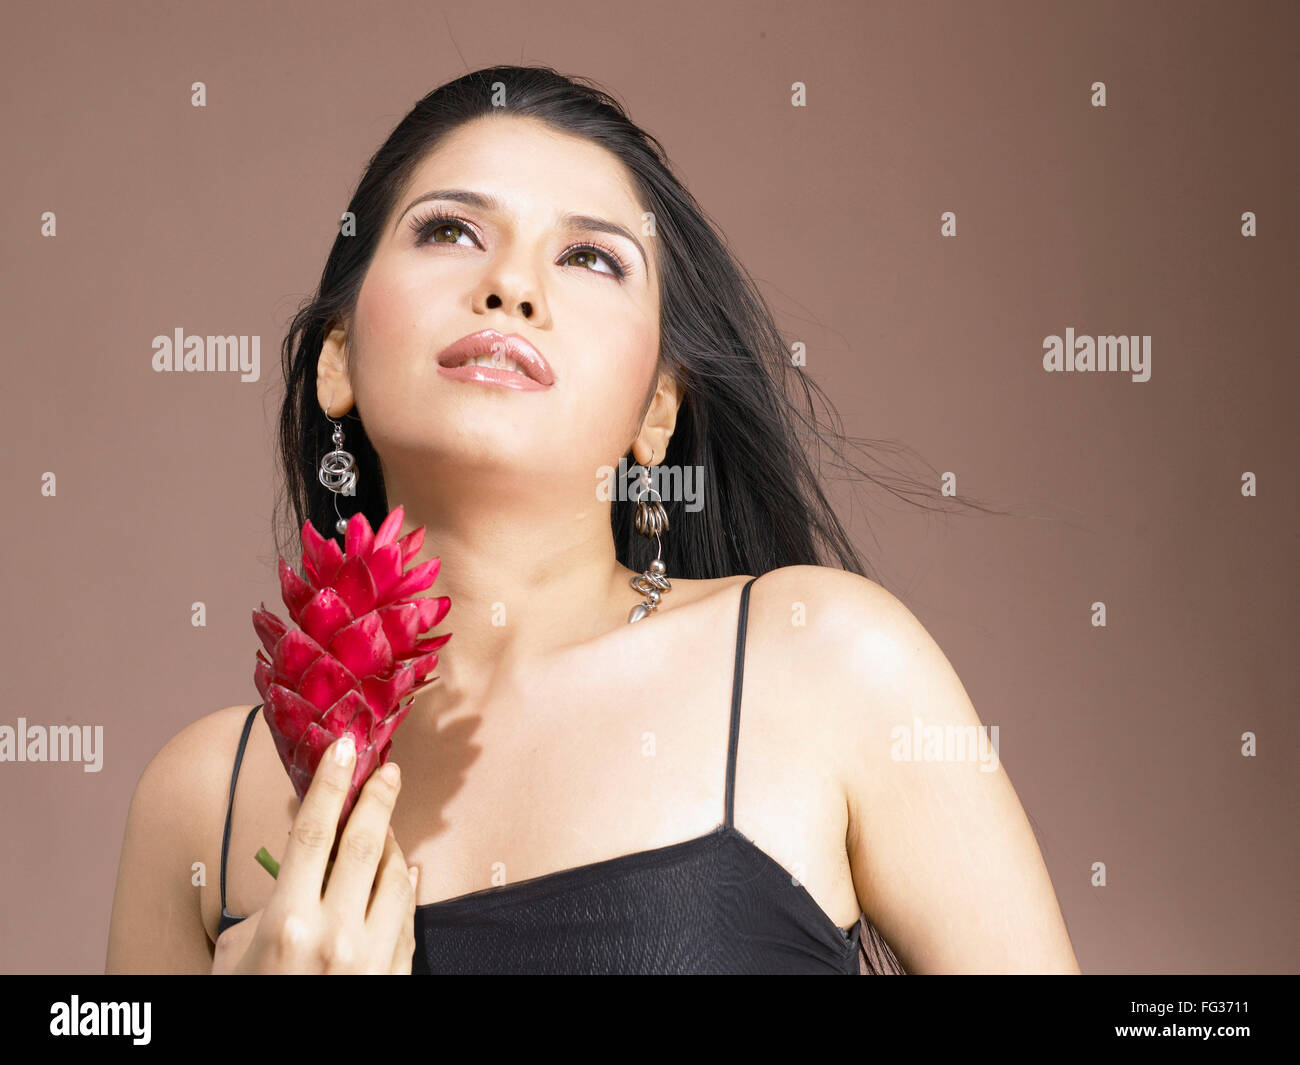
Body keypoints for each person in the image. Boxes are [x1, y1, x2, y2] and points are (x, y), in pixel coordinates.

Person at [106, 64, 1080, 975]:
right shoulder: (203, 799)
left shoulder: (823, 663)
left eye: (589, 257)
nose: (511, 286)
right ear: (337, 357)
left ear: (658, 410)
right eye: (449, 231)